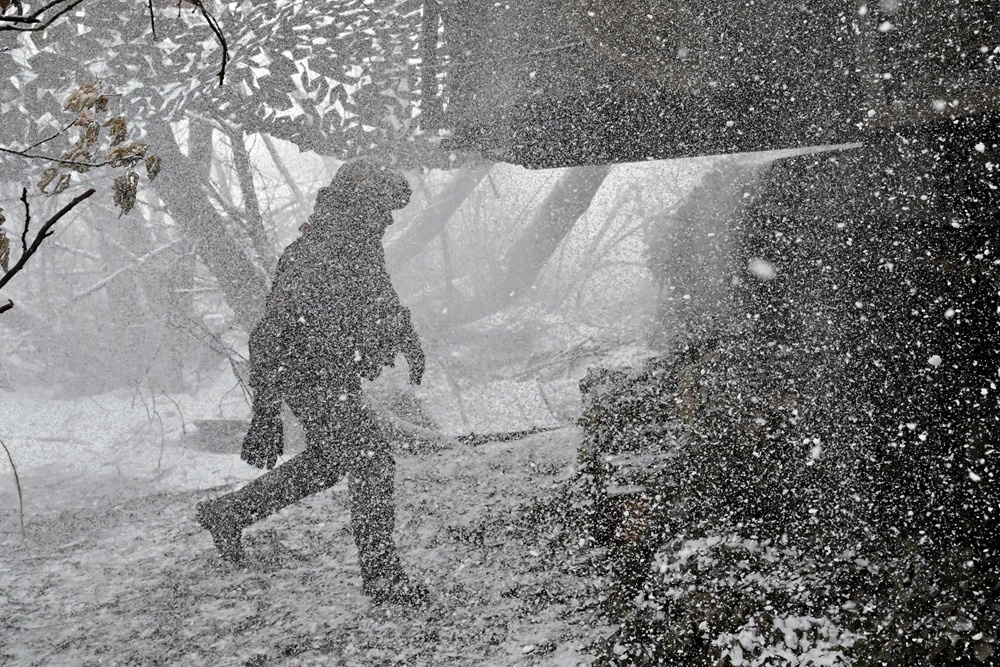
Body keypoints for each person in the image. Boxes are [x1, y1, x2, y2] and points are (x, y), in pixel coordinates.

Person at [196, 159, 426, 604]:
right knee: (371, 459)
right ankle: (383, 580)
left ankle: (228, 514)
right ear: (358, 206)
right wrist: (264, 415)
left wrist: (407, 336)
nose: (388, 219)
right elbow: (267, 337)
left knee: (331, 460)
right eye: (383, 209)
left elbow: (380, 295)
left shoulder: (358, 247)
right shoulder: (312, 258)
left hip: (334, 372)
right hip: (307, 376)